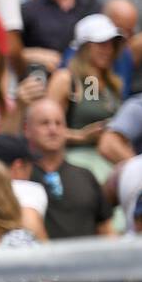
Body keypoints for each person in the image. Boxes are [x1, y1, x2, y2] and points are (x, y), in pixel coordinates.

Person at [25, 99, 114, 240]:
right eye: (44, 123)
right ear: (27, 129)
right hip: (39, 261)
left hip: (87, 260)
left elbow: (107, 230)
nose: (53, 130)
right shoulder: (21, 177)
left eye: (58, 123)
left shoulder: (86, 175)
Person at [49, 14, 126, 151]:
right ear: (84, 47)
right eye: (102, 44)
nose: (108, 50)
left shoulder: (114, 84)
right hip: (74, 159)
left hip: (109, 159)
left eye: (112, 44)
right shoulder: (65, 79)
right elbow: (43, 130)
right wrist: (81, 136)